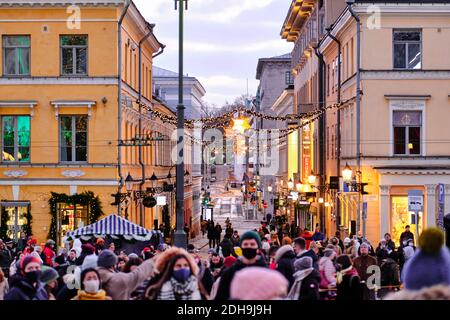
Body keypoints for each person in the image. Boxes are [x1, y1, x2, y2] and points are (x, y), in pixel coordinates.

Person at [214, 231, 267, 300]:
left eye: (252, 244)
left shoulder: (266, 272)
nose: (249, 246)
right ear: (241, 247)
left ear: (258, 248)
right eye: (245, 244)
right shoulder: (229, 273)